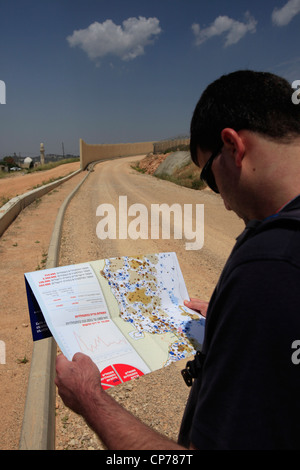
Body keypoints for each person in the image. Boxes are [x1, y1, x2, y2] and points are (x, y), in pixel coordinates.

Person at [55, 70, 300, 450]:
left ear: (233, 146)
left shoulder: (268, 267)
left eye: (210, 178)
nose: (222, 200)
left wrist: (90, 398)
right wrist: (229, 322)